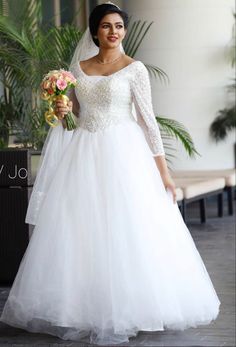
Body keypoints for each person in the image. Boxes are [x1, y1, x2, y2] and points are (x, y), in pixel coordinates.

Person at [0, 2, 220, 345]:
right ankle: (83, 305)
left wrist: (163, 173)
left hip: (125, 155)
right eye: (106, 26)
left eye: (119, 25)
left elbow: (148, 121)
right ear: (94, 30)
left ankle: (135, 304)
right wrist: (62, 107)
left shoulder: (135, 69)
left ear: (124, 31)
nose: (113, 31)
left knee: (127, 228)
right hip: (84, 152)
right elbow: (70, 117)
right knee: (81, 228)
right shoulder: (79, 68)